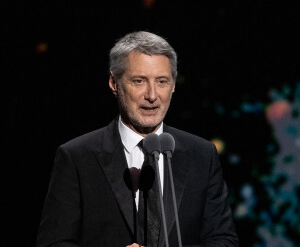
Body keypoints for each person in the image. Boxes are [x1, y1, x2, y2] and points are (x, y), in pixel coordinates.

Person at [37, 31, 239, 247]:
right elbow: (53, 243)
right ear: (114, 83)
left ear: (173, 86)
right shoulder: (77, 157)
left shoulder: (202, 154)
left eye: (162, 81)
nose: (152, 95)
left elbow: (223, 240)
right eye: (139, 81)